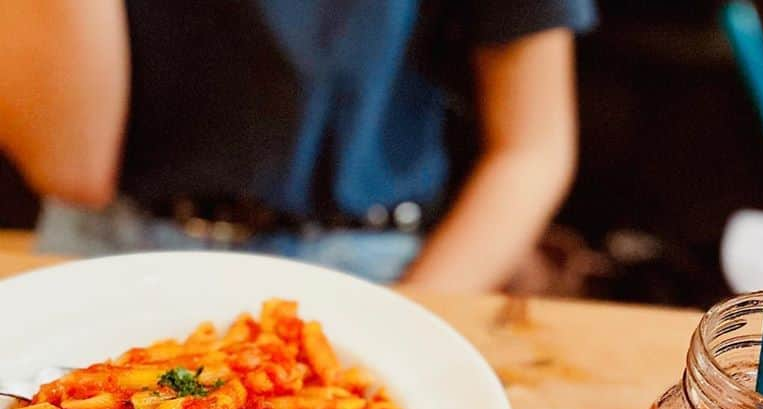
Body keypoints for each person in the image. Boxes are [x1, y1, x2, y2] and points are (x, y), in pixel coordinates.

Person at [0, 1, 596, 289]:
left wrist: (414, 316)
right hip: (111, 242)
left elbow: (531, 149)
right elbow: (68, 166)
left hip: (370, 264)